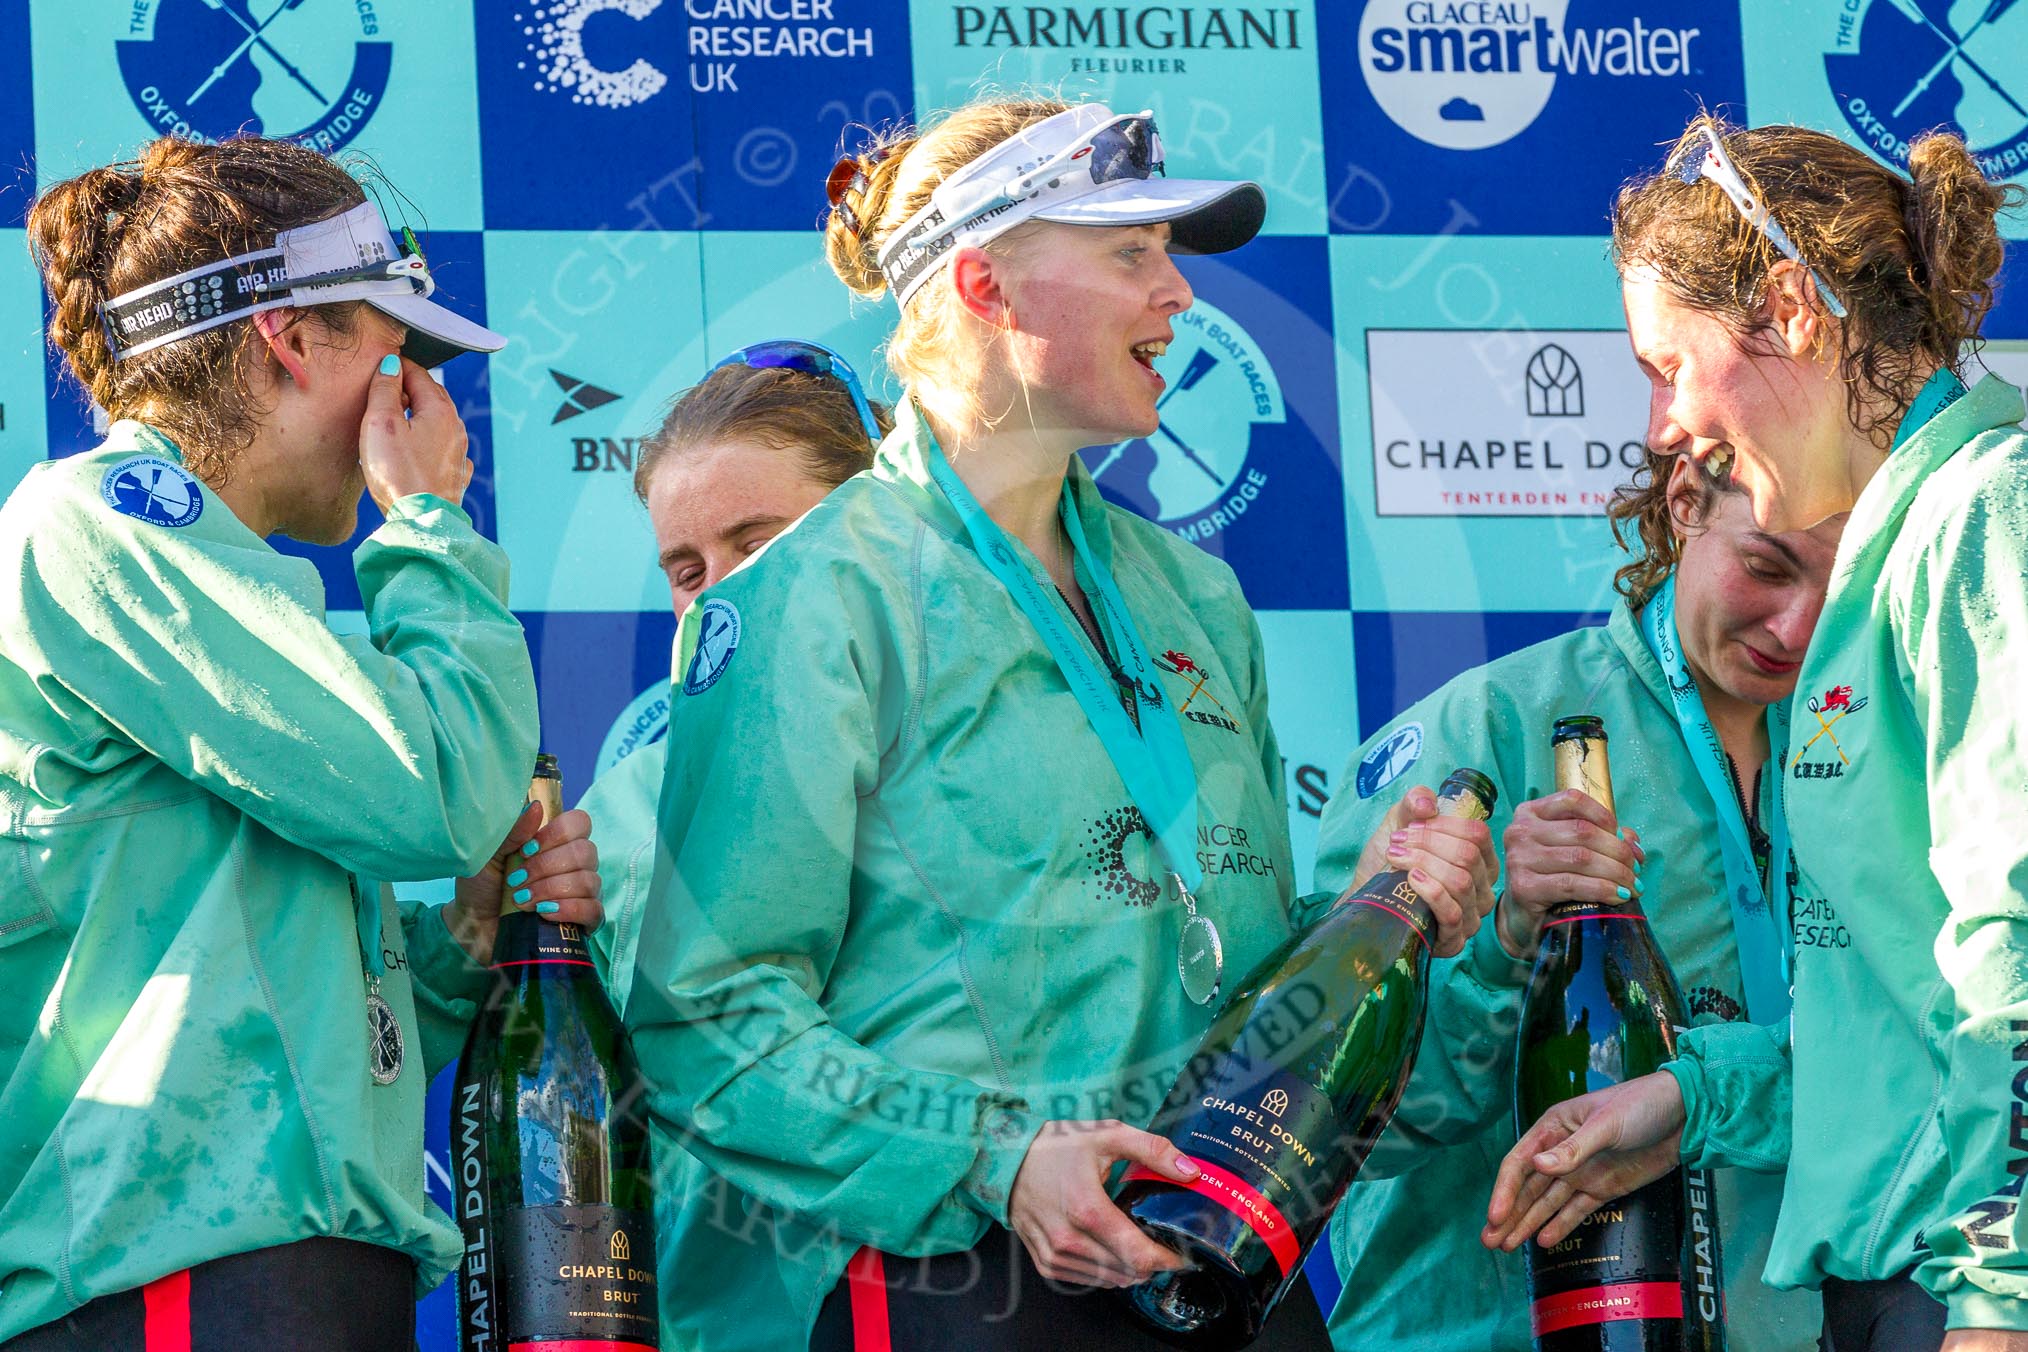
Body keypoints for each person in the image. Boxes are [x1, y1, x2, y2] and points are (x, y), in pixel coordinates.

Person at [621, 97, 1497, 1349]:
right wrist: (996, 1158)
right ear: (986, 284)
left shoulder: (1193, 591)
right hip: (982, 1288)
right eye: (1131, 254)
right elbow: (704, 1017)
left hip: (1240, 1264)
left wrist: (1364, 913)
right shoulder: (811, 600)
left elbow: (1214, 975)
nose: (1179, 296)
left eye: (1170, 257)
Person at [0, 136, 600, 1348]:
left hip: (271, 1273)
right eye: (400, 348)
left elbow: (313, 1048)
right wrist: (427, 518)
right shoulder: (105, 521)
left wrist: (466, 933)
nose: (421, 393)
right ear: (286, 337)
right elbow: (437, 794)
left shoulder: (225, 579)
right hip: (177, 1279)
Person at [1483, 117, 2028, 1351]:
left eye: (1667, 364)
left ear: (1789, 306)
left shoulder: (1984, 515)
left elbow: (2022, 952)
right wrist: (1687, 1100)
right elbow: (1893, 1022)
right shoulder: (1896, 543)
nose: (1664, 425)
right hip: (1902, 1287)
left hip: (1965, 1295)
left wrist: (2004, 1304)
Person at [1306, 451, 1837, 1351]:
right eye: (1766, 566)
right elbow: (1331, 1124)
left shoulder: (1863, 748)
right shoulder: (1490, 728)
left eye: (1840, 586)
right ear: (1685, 505)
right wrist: (1506, 942)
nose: (1797, 627)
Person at [576, 339, 890, 1350]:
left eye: (759, 546)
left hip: (990, 1296)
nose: (717, 594)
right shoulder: (629, 803)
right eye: (685, 567)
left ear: (881, 523)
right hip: (734, 1321)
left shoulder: (995, 737)